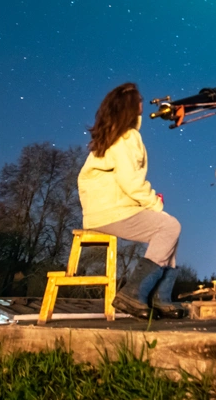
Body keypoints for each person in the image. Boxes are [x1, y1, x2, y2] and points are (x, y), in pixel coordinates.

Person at [78, 82, 185, 318]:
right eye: (139, 100)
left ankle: (160, 297)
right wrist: (153, 203)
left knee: (169, 228)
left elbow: (124, 183)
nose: (143, 104)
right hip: (110, 211)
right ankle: (134, 293)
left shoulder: (117, 135)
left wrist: (150, 205)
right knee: (169, 225)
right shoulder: (126, 137)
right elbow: (130, 182)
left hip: (109, 208)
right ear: (131, 106)